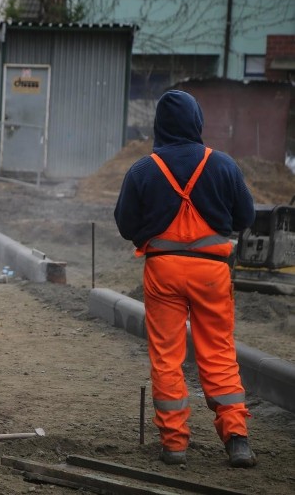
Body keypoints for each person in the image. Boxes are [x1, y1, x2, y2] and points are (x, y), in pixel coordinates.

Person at [114, 90, 257, 468]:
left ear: (159, 126)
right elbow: (245, 217)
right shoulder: (223, 165)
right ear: (197, 122)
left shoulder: (144, 169)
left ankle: (175, 444)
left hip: (163, 271)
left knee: (167, 358)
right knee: (219, 353)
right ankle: (237, 439)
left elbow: (125, 224)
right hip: (212, 273)